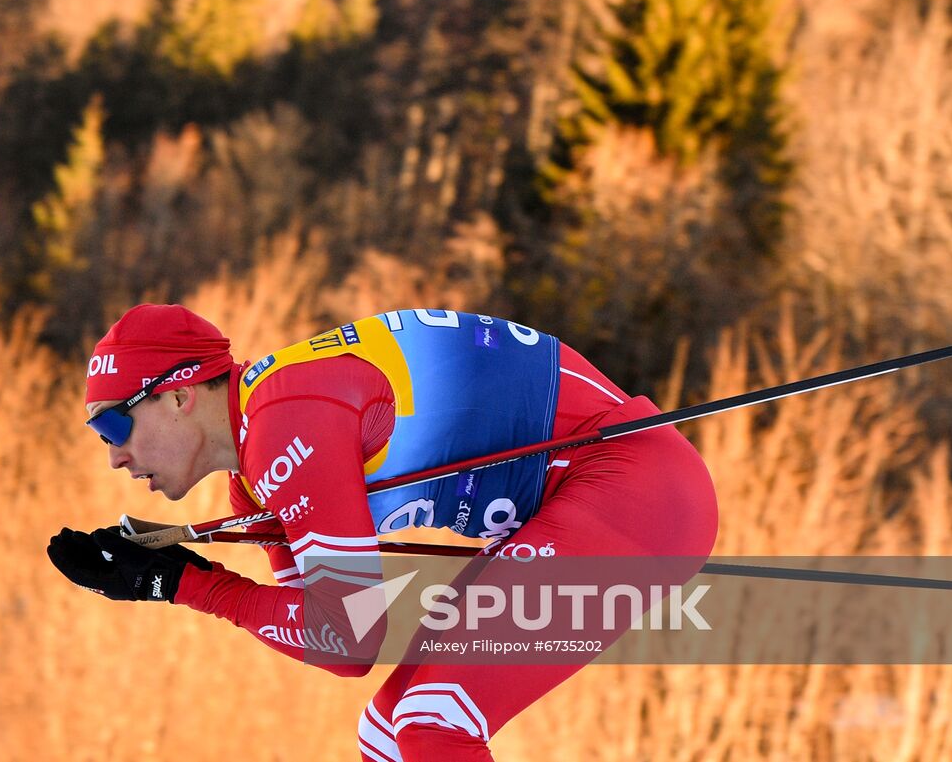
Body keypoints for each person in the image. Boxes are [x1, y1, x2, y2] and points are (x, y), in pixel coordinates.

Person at [48, 304, 718, 761]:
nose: (113, 455)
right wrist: (181, 582)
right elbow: (337, 644)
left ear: (180, 392)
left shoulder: (288, 422)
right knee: (388, 736)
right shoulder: (257, 474)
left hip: (633, 483)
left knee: (434, 716)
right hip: (593, 496)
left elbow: (350, 630)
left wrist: (196, 586)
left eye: (115, 427)